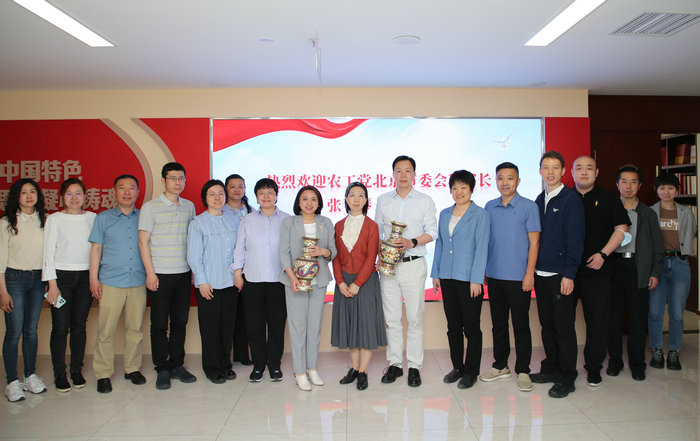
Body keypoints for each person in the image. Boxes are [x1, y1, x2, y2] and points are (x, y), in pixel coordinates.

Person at [375, 155, 438, 387]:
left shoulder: (425, 200)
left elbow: (433, 231)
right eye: (399, 171)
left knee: (414, 318)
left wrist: (412, 241)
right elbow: (378, 232)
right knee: (391, 319)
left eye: (407, 170)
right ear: (393, 174)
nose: (403, 175)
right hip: (388, 267)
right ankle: (395, 364)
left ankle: (414, 366)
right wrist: (379, 257)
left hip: (413, 264)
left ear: (414, 174)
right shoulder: (383, 200)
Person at [571, 156, 629, 387]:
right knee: (563, 321)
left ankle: (593, 368)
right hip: (568, 271)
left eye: (589, 168)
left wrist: (603, 254)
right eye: (579, 168)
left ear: (596, 173)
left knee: (597, 322)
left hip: (599, 270)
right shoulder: (565, 197)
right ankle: (564, 367)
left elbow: (622, 229)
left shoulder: (609, 198)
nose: (584, 172)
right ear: (572, 172)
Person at [482, 162, 540, 392]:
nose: (504, 182)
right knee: (498, 324)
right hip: (494, 275)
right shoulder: (489, 206)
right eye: (500, 178)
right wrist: (484, 270)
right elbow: (486, 241)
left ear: (518, 181)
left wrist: (529, 273)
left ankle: (523, 370)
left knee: (521, 325)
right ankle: (500, 365)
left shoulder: (529, 207)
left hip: (519, 277)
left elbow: (534, 242)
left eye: (510, 178)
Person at [531, 151, 585, 398]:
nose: (550, 172)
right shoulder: (539, 199)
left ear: (563, 171)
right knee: (547, 325)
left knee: (563, 327)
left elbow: (575, 240)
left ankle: (566, 377)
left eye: (555, 167)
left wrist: (569, 274)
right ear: (540, 171)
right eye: (546, 167)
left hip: (560, 275)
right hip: (540, 274)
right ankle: (551, 368)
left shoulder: (570, 200)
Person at [138, 162, 196, 390]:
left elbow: (192, 240)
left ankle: (177, 364)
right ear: (163, 181)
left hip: (183, 274)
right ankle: (162, 368)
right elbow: (143, 242)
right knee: (159, 324)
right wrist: (150, 273)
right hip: (159, 275)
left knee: (180, 322)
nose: (178, 182)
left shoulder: (189, 206)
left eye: (181, 178)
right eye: (173, 178)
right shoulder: (150, 207)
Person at [431, 170, 490, 389]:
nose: (459, 192)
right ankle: (458, 367)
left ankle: (471, 371)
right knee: (453, 326)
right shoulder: (445, 213)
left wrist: (477, 279)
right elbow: (440, 244)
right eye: (455, 188)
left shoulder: (480, 214)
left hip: (469, 280)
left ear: (471, 189)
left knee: (471, 327)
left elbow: (482, 248)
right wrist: (436, 273)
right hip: (447, 276)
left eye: (463, 187)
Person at [89, 174, 147, 394]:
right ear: (114, 192)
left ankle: (132, 369)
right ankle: (103, 374)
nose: (127, 192)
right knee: (106, 331)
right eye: (122, 188)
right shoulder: (103, 218)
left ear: (138, 192)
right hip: (110, 282)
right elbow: (96, 249)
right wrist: (93, 279)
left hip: (138, 281)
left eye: (131, 188)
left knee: (135, 329)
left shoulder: (144, 218)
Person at [607, 165, 663, 381]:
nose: (628, 186)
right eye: (624, 181)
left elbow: (657, 246)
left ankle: (637, 364)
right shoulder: (610, 209)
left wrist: (654, 272)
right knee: (613, 318)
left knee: (638, 320)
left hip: (639, 268)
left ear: (639, 185)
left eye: (633, 182)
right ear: (617, 184)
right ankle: (615, 362)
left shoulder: (648, 213)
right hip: (614, 267)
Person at [231, 178, 290, 382]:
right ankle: (258, 365)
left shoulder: (287, 220)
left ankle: (274, 365)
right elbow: (239, 248)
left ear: (276, 195)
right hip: (252, 280)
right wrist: (237, 273)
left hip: (279, 281)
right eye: (261, 193)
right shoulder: (247, 220)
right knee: (254, 325)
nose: (266, 196)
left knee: (276, 326)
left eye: (270, 192)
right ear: (256, 197)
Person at [280, 185, 336, 391]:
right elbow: (283, 252)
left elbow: (333, 252)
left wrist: (322, 251)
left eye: (313, 199)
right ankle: (299, 372)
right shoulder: (289, 223)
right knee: (298, 328)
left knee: (314, 327)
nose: (309, 203)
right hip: (295, 281)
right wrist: (292, 276)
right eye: (305, 199)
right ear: (298, 202)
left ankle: (312, 368)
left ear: (319, 202)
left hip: (318, 281)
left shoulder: (326, 222)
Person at [42, 178, 96, 392]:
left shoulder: (92, 218)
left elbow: (97, 250)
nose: (74, 198)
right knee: (60, 327)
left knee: (79, 326)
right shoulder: (54, 219)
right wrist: (52, 284)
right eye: (69, 194)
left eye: (78, 193)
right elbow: (48, 253)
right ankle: (59, 373)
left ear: (85, 196)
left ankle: (76, 370)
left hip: (85, 277)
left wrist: (94, 278)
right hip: (61, 278)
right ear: (62, 197)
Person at [331, 182, 385, 391]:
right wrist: (340, 282)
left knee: (366, 326)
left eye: (361, 195)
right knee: (350, 326)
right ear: (346, 199)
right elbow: (335, 257)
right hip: (344, 282)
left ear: (366, 200)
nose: (356, 199)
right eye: (352, 195)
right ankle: (354, 368)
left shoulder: (372, 226)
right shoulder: (338, 225)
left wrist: (358, 283)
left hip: (366, 281)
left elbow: (371, 257)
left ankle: (363, 371)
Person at [187, 179, 240, 383]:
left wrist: (239, 274)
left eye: (221, 194)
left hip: (230, 283)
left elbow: (239, 250)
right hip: (209, 284)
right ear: (205, 198)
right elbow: (194, 256)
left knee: (227, 327)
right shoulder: (198, 223)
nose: (217, 198)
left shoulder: (234, 220)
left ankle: (226, 364)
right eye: (212, 194)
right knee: (210, 328)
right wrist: (202, 281)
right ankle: (212, 368)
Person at [1, 178, 47, 402]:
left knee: (31, 330)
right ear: (16, 197)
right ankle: (12, 381)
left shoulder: (45, 220)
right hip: (14, 279)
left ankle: (30, 375)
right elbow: (0, 260)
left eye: (32, 191)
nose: (29, 196)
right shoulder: (6, 222)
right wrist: (3, 291)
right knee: (14, 332)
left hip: (38, 280)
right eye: (23, 192)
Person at [649, 172, 697, 370]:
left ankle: (674, 351)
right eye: (662, 188)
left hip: (680, 263)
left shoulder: (686, 213)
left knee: (677, 312)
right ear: (656, 190)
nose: (666, 192)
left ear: (677, 190)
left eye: (670, 188)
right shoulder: (650, 212)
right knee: (655, 311)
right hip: (658, 264)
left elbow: (691, 233)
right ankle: (657, 350)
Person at [224, 173, 253, 366]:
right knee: (228, 315)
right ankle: (225, 357)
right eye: (232, 186)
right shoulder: (220, 210)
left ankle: (242, 354)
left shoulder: (251, 212)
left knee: (245, 314)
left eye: (240, 186)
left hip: (248, 270)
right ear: (226, 189)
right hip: (226, 270)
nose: (236, 190)